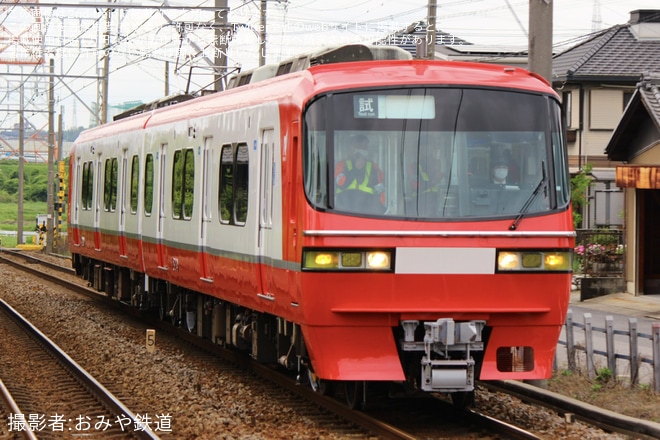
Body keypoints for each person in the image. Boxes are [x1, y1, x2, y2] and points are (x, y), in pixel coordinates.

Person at [334, 134, 385, 212]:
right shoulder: (341, 165)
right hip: (343, 212)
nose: (362, 150)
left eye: (364, 147)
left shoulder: (374, 168)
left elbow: (381, 192)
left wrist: (381, 211)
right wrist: (356, 169)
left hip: (368, 214)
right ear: (351, 149)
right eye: (358, 146)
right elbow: (341, 183)